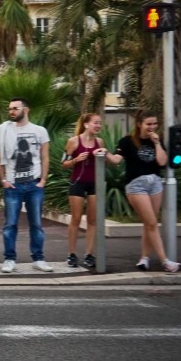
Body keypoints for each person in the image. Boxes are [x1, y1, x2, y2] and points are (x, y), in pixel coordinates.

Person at [115, 110, 179, 272]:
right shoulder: (127, 141)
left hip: (155, 182)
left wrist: (157, 143)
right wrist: (104, 154)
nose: (152, 127)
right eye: (148, 124)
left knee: (148, 223)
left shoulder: (156, 141)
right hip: (136, 184)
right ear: (139, 124)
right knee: (151, 223)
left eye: (154, 124)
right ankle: (165, 261)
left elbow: (162, 162)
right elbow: (116, 160)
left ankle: (144, 258)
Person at [0, 97, 54, 273]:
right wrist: (3, 180)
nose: (11, 111)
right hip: (13, 185)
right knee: (10, 224)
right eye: (10, 109)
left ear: (26, 110)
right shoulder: (5, 130)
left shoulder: (40, 131)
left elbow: (44, 156)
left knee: (36, 223)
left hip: (33, 184)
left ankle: (38, 258)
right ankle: (9, 259)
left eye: (15, 108)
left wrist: (43, 180)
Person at [61, 112, 113, 270]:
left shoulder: (100, 141)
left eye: (100, 123)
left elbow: (108, 162)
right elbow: (63, 163)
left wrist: (105, 156)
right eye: (95, 123)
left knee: (92, 219)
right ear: (86, 124)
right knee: (76, 218)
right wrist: (76, 160)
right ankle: (71, 253)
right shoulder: (73, 141)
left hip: (94, 183)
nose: (98, 126)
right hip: (77, 182)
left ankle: (89, 254)